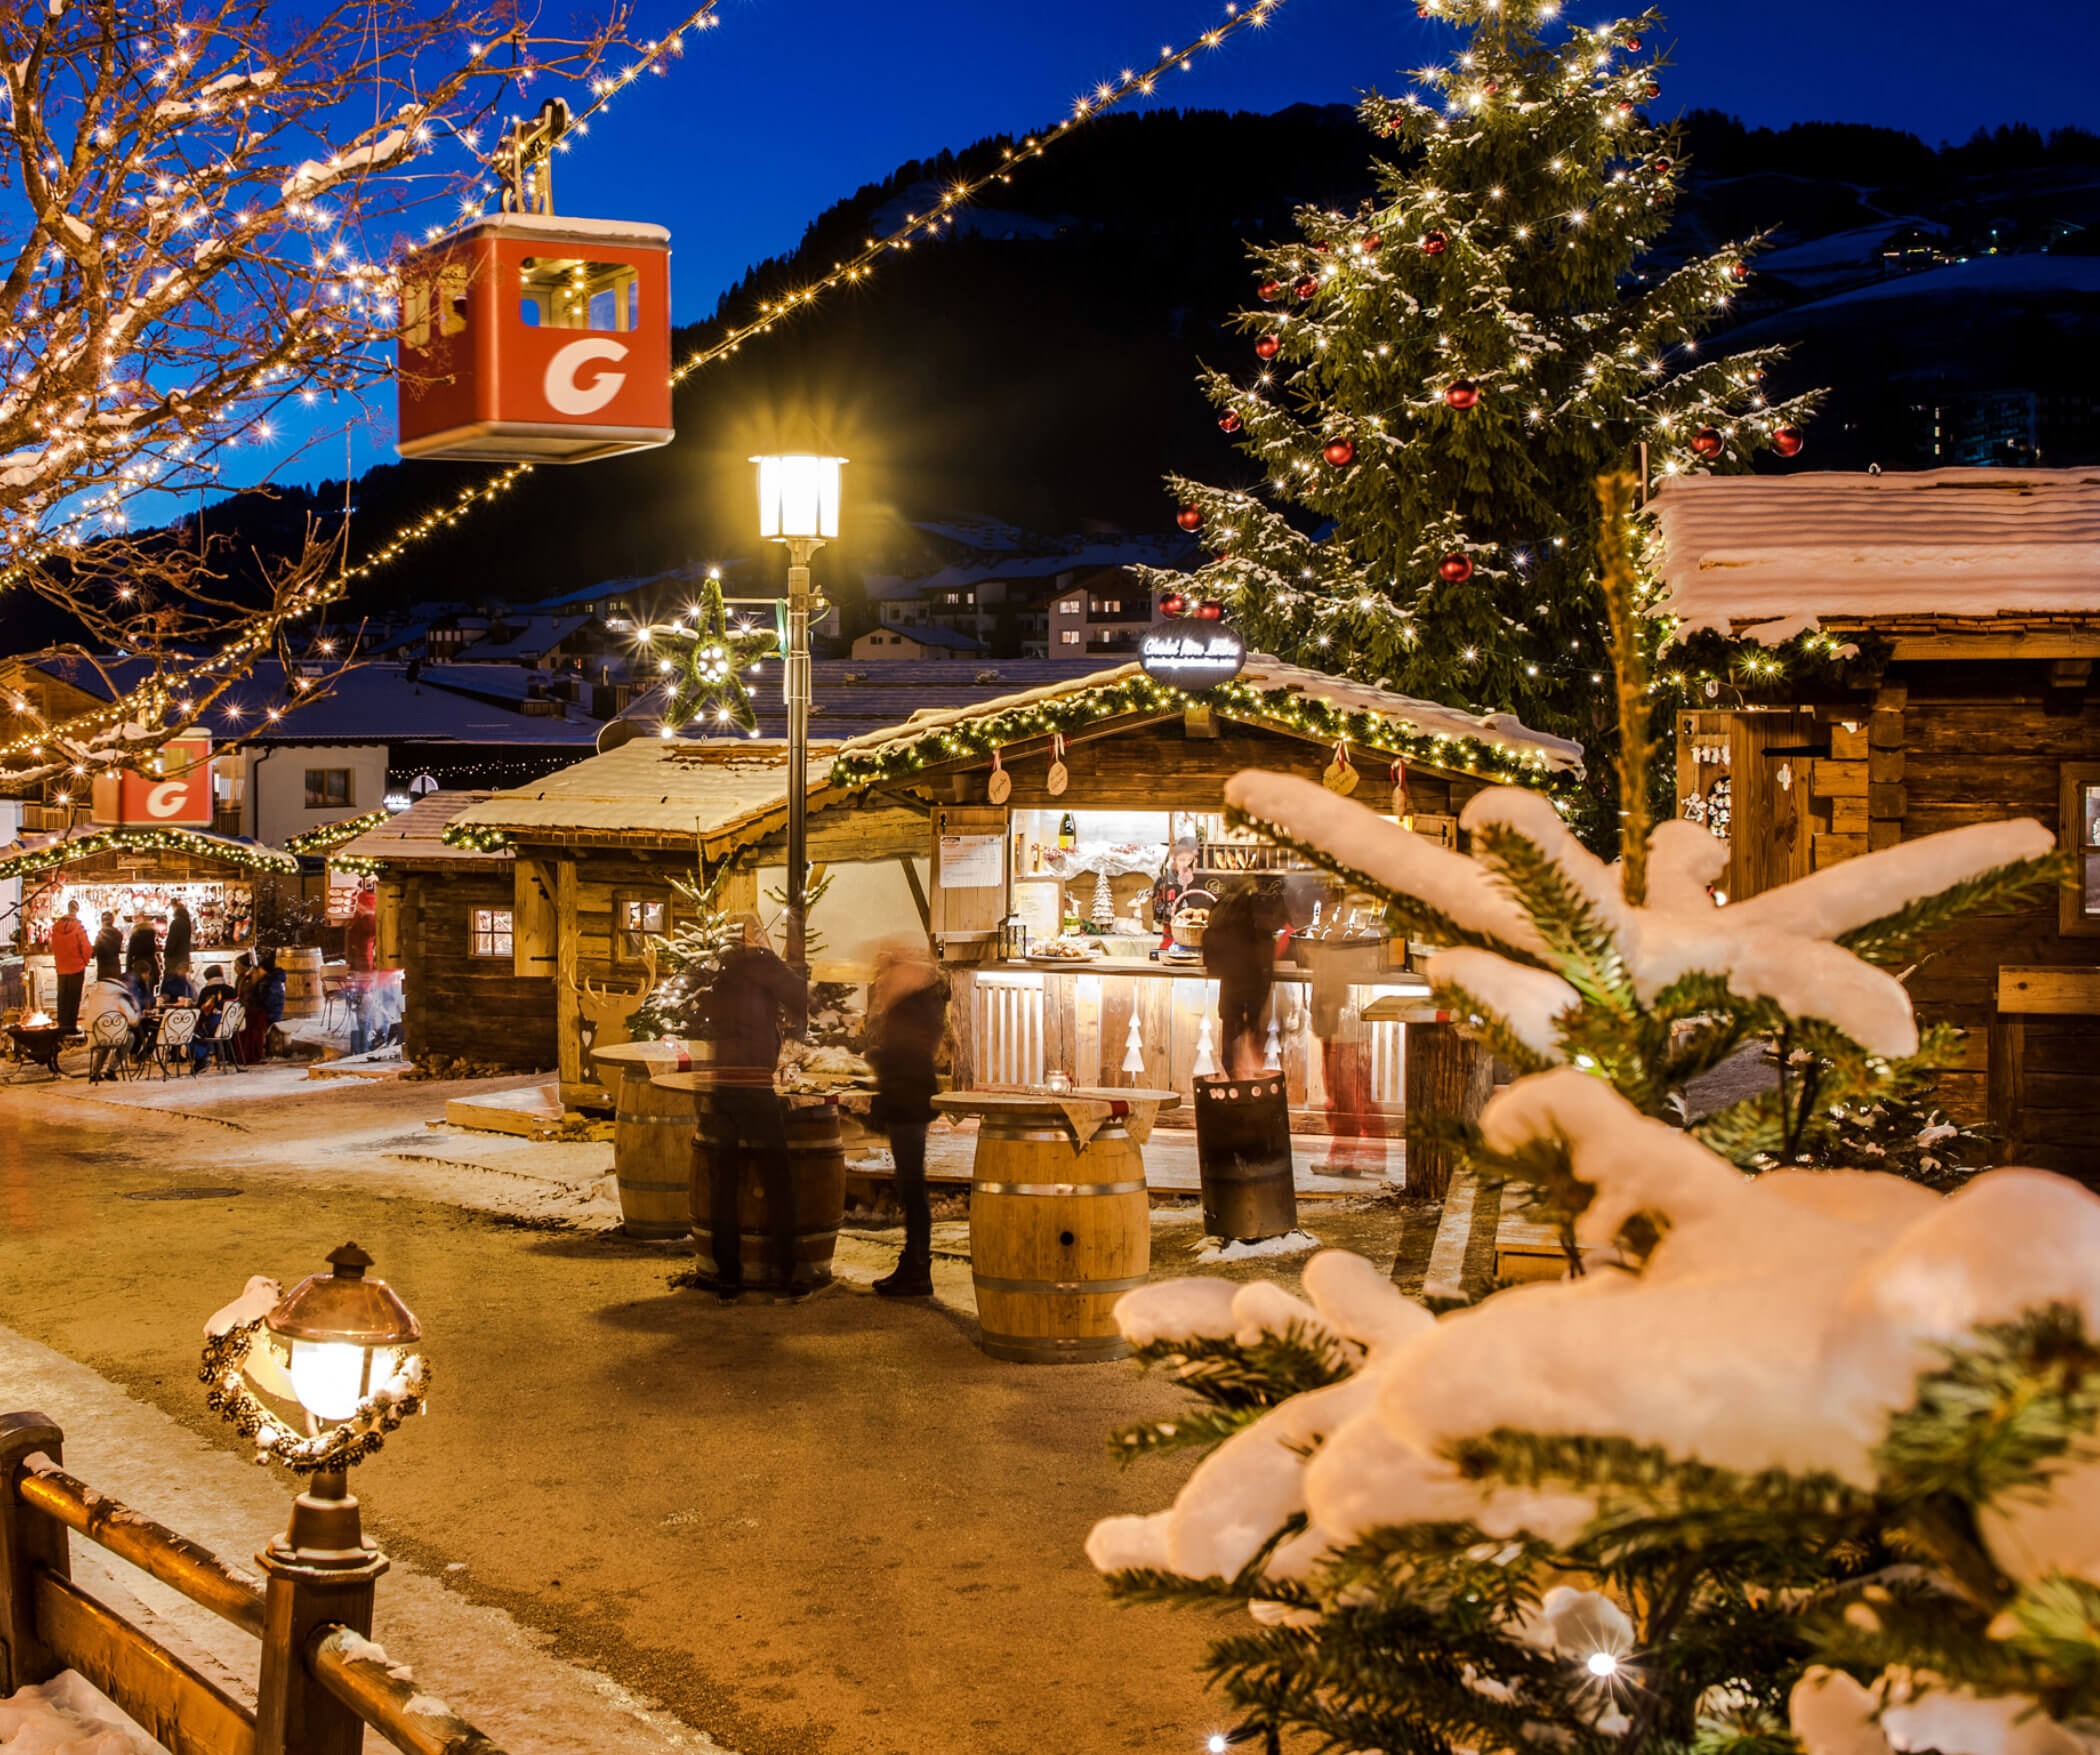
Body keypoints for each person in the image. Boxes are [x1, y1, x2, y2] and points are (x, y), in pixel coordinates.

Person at [702, 913, 808, 1301]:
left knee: (724, 1183)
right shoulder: (762, 963)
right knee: (779, 1176)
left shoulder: (721, 967)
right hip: (753, 1083)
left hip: (722, 1084)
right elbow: (800, 995)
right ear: (755, 936)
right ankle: (789, 1274)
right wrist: (776, 960)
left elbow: (702, 1013)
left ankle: (728, 1277)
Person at [866, 937, 947, 1298]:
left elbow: (909, 1053)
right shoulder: (917, 1001)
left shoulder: (916, 1003)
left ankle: (916, 1268)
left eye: (889, 969)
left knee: (912, 1186)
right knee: (909, 1184)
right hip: (907, 1097)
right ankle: (914, 1264)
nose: (883, 977)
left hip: (909, 1099)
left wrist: (879, 1059)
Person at [1203, 878, 1290, 1078]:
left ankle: (1233, 1086)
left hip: (1231, 981)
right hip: (1253, 982)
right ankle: (1249, 1089)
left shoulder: (1224, 904)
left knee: (1232, 1036)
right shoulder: (1257, 905)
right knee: (1254, 1037)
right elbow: (1280, 922)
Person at [82, 972, 139, 1082]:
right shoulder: (120, 997)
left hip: (93, 1036)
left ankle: (95, 1072)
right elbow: (132, 1019)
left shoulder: (93, 993)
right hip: (111, 1036)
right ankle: (111, 1069)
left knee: (105, 1041)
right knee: (129, 1037)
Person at [49, 899, 92, 1035]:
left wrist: (59, 961)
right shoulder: (78, 927)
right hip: (76, 967)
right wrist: (84, 961)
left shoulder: (56, 927)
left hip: (61, 967)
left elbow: (53, 946)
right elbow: (86, 947)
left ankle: (62, 1025)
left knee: (62, 998)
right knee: (73, 998)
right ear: (76, 910)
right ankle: (71, 1026)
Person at [1151, 837, 1202, 939]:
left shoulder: (1196, 876)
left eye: (1190, 859)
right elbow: (1159, 908)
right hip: (1172, 925)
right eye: (1182, 859)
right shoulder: (1165, 879)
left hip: (1191, 927)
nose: (1186, 863)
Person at [194, 963, 236, 1068]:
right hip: (229, 1028)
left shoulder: (206, 991)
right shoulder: (230, 989)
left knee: (192, 1032)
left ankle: (203, 1057)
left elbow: (199, 1010)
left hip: (211, 1028)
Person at [125, 913, 160, 990]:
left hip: (139, 966)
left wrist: (128, 970)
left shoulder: (135, 935)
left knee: (139, 990)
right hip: (151, 965)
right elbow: (155, 951)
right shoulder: (152, 934)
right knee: (150, 990)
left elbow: (130, 954)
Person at [164, 900, 193, 978]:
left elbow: (171, 941)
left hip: (175, 960)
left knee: (172, 983)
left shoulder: (176, 923)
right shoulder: (187, 923)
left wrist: (167, 954)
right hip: (184, 958)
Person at [92, 911, 122, 982]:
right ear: (113, 921)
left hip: (103, 969)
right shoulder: (118, 934)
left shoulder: (100, 935)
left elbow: (96, 952)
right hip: (115, 968)